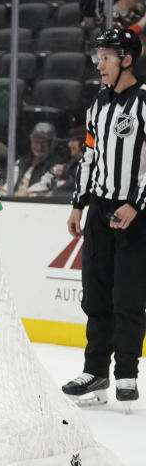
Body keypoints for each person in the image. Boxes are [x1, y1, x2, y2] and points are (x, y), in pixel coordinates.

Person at [62, 28, 146, 409]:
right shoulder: (97, 105)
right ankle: (95, 371)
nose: (99, 64)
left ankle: (127, 373)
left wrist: (135, 203)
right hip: (99, 211)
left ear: (127, 59)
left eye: (107, 57)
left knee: (128, 295)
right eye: (99, 57)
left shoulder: (144, 103)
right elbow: (90, 158)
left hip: (135, 213)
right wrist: (79, 204)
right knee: (95, 294)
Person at [8, 122, 59, 197]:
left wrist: (24, 194)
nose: (39, 146)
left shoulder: (56, 165)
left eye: (43, 143)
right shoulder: (22, 162)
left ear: (52, 144)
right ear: (31, 141)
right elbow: (8, 186)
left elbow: (43, 187)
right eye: (36, 141)